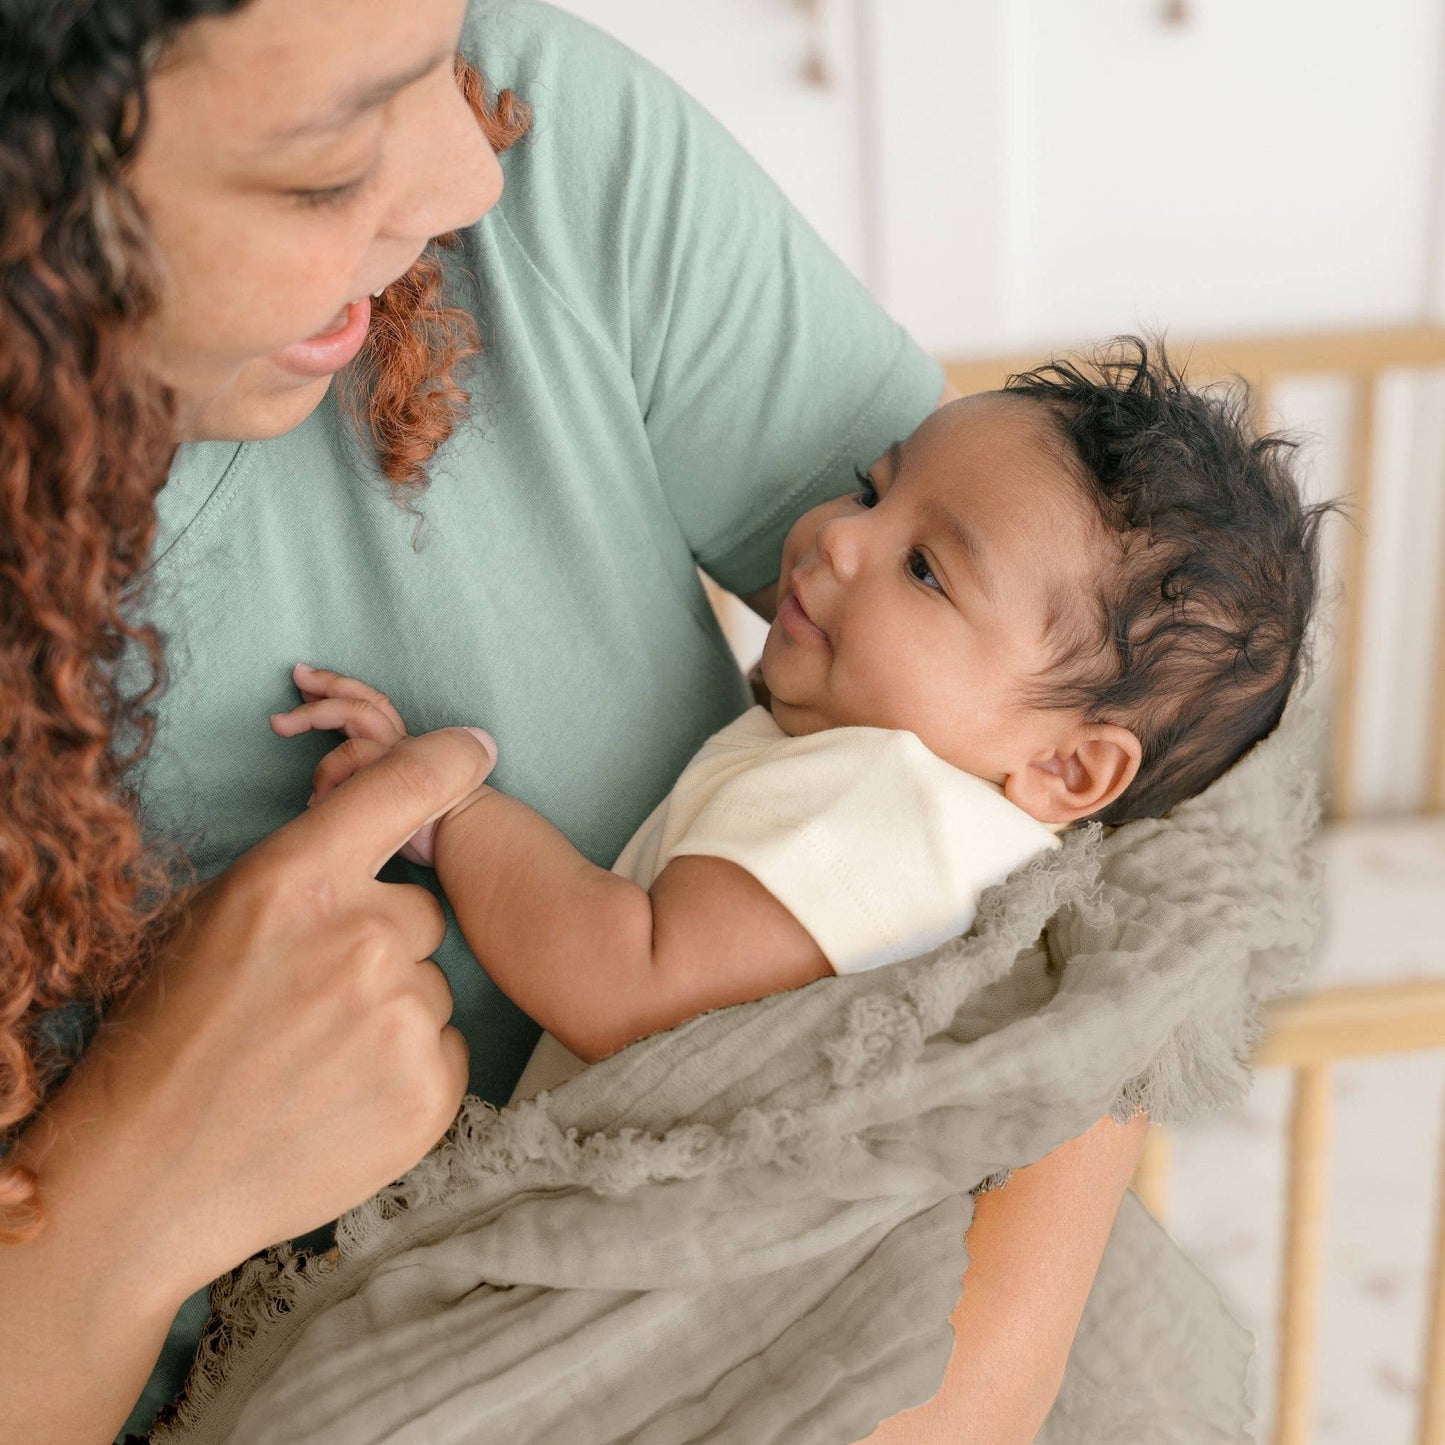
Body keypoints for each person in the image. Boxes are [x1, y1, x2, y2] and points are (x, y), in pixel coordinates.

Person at [0, 2, 1178, 1441]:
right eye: (323, 166)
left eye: (442, 49)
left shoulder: (535, 126)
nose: (468, 177)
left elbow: (1149, 710)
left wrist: (981, 1373)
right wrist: (132, 1192)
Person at [267, 340, 1326, 1101]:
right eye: (873, 492)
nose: (836, 538)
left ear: (1069, 767)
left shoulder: (887, 806)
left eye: (924, 568)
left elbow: (624, 979)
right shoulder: (904, 788)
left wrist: (449, 808)